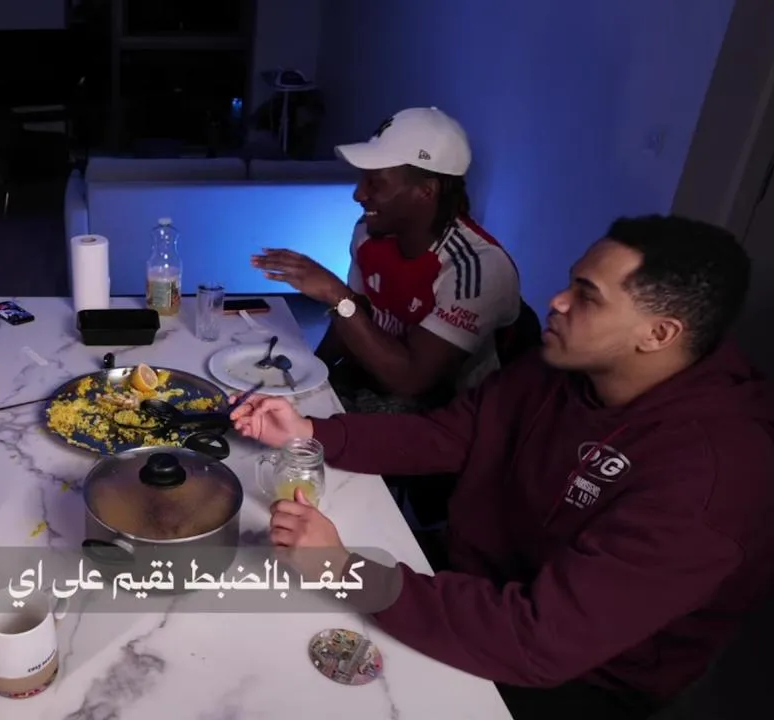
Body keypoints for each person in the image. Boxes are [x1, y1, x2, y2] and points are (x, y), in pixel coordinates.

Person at [231, 215, 774, 719]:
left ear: (658, 334)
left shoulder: (712, 474)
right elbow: (450, 435)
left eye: (587, 296)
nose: (556, 301)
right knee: (261, 607)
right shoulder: (558, 367)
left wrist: (343, 570)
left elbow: (542, 639)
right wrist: (309, 431)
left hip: (577, 675)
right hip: (474, 579)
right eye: (571, 283)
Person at [252, 106, 522, 413]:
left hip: (448, 414)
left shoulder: (476, 268)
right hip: (373, 382)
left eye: (375, 183)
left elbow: (411, 381)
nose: (358, 194)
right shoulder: (369, 233)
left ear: (426, 191)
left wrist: (335, 294)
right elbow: (356, 315)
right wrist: (310, 377)